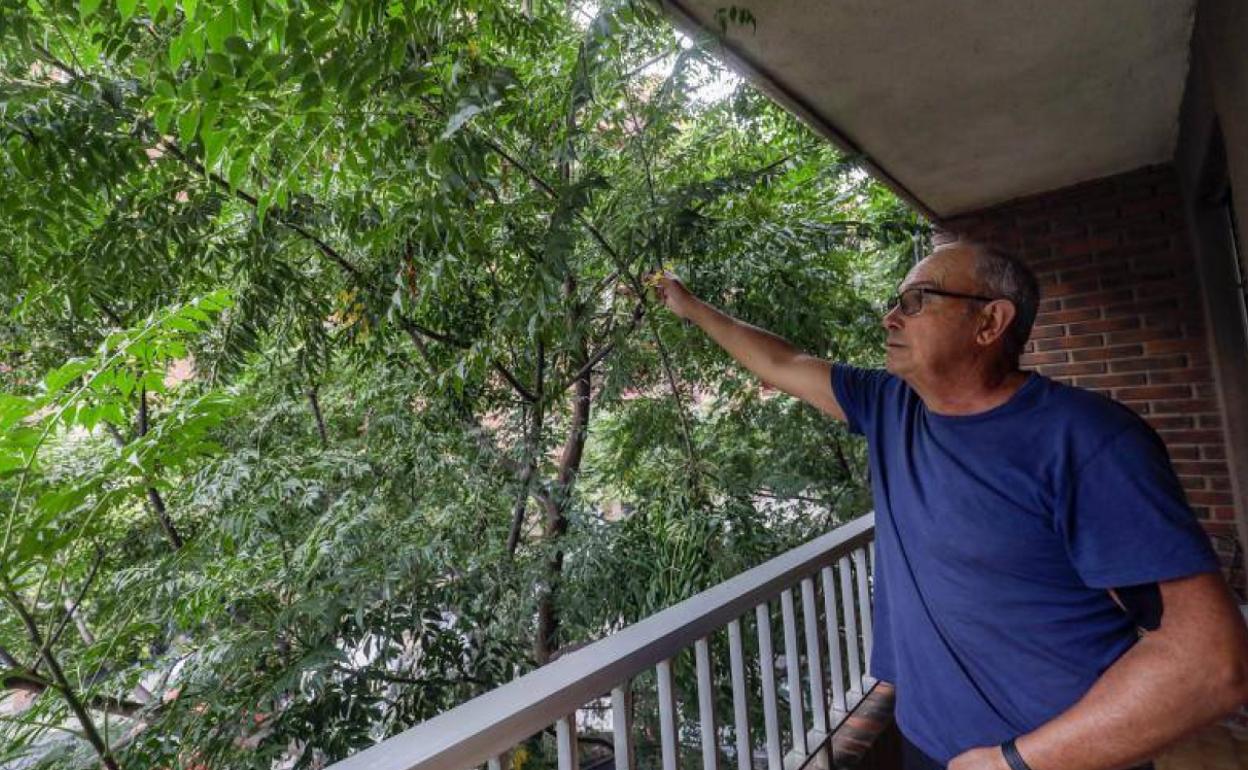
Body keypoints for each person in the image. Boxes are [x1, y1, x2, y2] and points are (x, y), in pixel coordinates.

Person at [649, 242, 1248, 770]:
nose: (890, 316)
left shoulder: (1088, 441)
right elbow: (781, 363)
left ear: (990, 321)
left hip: (1055, 757)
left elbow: (1208, 664)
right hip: (930, 742)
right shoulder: (891, 408)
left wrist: (1018, 761)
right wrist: (691, 305)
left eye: (917, 300)